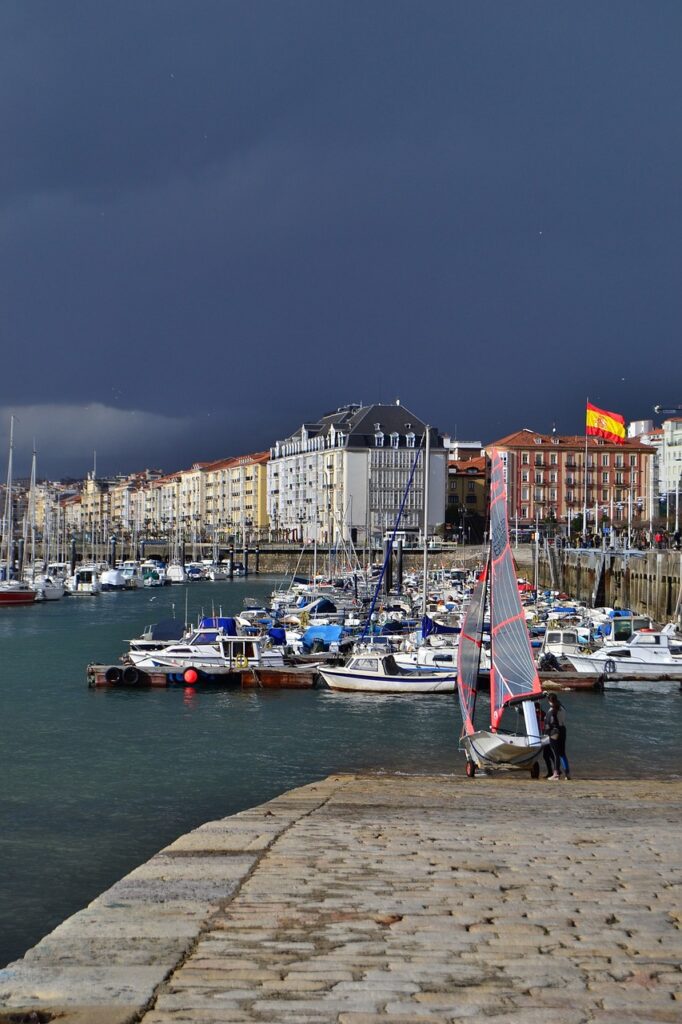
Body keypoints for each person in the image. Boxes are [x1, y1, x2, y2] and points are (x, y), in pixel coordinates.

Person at [545, 693, 571, 780]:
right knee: (562, 753)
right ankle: (567, 774)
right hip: (563, 730)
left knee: (556, 754)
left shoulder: (552, 710)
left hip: (555, 732)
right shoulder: (562, 707)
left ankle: (556, 774)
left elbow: (551, 722)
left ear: (549, 701)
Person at [535, 700, 555, 778]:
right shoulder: (538, 714)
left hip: (546, 736)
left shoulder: (542, 714)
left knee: (548, 755)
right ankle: (552, 771)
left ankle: (554, 771)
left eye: (537, 708)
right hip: (543, 736)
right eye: (535, 709)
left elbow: (545, 726)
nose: (536, 710)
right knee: (547, 755)